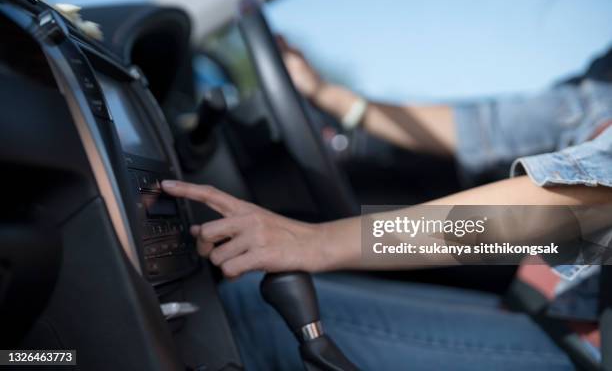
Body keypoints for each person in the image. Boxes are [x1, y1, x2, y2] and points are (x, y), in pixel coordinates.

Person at [161, 41, 612, 370]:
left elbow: (572, 203)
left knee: (251, 317)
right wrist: (331, 96)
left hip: (584, 350)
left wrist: (318, 242)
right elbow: (487, 127)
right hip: (544, 307)